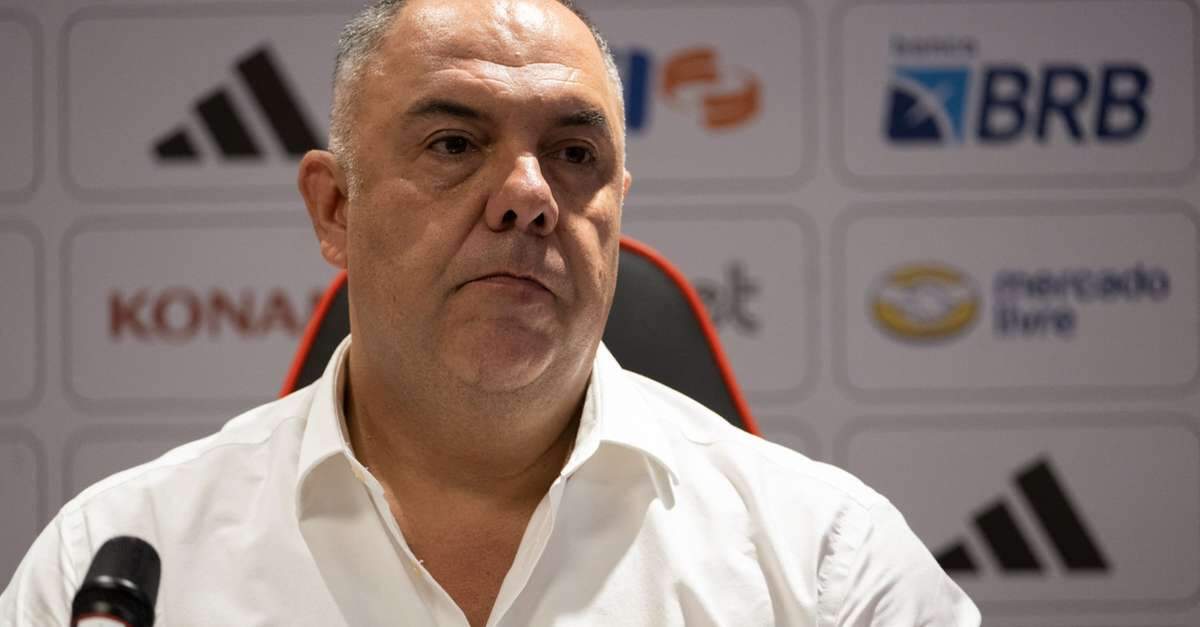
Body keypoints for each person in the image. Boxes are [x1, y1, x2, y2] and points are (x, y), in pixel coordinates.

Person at [1, 0, 980, 624]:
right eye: (454, 144)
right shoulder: (117, 569)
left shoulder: (826, 566)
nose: (528, 195)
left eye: (575, 153)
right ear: (335, 209)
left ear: (617, 207)